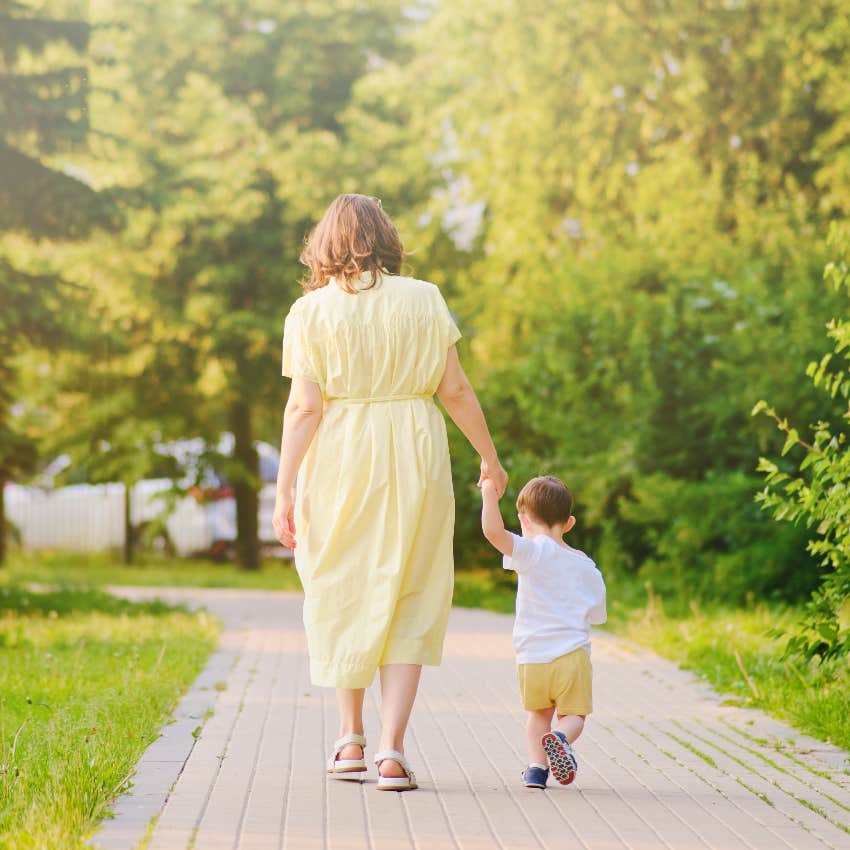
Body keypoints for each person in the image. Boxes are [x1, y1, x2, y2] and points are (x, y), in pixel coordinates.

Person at [272, 194, 507, 791]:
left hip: (341, 453)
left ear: (325, 244)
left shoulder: (310, 313)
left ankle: (349, 740)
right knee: (413, 586)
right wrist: (489, 457)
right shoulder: (424, 299)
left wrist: (283, 491)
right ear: (386, 239)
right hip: (413, 451)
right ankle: (392, 752)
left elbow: (304, 408)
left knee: (340, 584)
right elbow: (453, 390)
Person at [479, 474, 606, 789]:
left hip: (532, 655)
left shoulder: (531, 552)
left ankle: (536, 769)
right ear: (570, 523)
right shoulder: (585, 565)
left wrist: (488, 494)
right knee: (573, 715)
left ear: (523, 519)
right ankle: (561, 739)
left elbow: (492, 531)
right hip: (572, 656)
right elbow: (597, 613)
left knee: (538, 715)